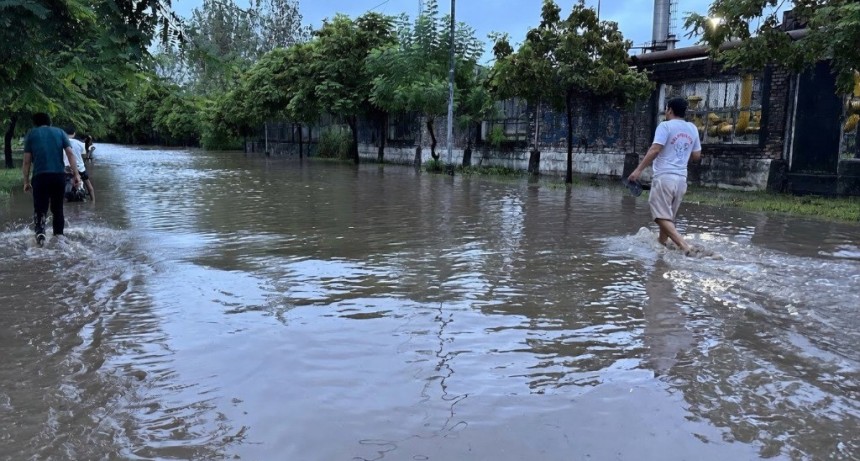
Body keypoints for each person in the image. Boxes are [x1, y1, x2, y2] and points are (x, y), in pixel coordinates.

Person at [628, 97, 702, 255]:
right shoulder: (692, 128)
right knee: (668, 218)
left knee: (659, 216)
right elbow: (696, 156)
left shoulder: (665, 126)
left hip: (664, 177)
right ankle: (661, 245)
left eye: (666, 110)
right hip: (681, 179)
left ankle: (684, 246)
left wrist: (638, 170)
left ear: (669, 110)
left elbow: (655, 150)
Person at [22, 113, 81, 244]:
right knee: (57, 208)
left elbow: (26, 161)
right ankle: (59, 236)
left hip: (40, 176)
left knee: (40, 208)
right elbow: (70, 153)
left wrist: (26, 181)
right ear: (50, 122)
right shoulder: (60, 132)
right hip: (58, 176)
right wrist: (76, 174)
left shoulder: (32, 134)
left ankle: (40, 234)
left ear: (35, 123)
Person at [64, 126, 95, 203]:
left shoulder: (61, 142)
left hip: (66, 169)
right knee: (89, 187)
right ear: (74, 134)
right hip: (80, 168)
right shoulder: (80, 144)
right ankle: (93, 202)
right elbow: (84, 157)